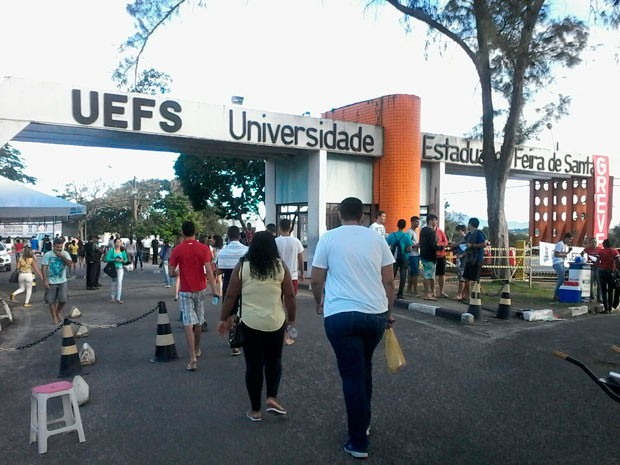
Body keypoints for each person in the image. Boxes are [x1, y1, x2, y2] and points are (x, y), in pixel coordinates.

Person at [310, 197, 395, 459]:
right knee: (364, 367)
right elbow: (389, 281)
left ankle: (358, 441)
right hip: (375, 315)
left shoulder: (329, 238)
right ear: (362, 215)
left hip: (340, 316)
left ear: (339, 214)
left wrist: (319, 302)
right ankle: (364, 423)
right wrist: (389, 313)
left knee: (352, 375)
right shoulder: (378, 239)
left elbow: (316, 278)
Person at [218, 231, 296, 422]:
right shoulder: (280, 266)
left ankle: (255, 410)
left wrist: (224, 318)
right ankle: (272, 396)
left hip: (249, 323)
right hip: (275, 322)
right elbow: (290, 296)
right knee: (274, 360)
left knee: (253, 365)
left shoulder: (243, 266)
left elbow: (230, 295)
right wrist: (291, 320)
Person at [169, 220, 221, 371]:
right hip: (200, 288)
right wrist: (214, 288)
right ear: (195, 231)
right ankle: (197, 349)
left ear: (183, 232)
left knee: (187, 321)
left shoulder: (177, 250)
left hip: (185, 290)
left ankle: (192, 357)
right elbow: (209, 270)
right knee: (198, 321)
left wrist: (182, 272)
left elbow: (171, 272)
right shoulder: (204, 248)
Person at [216, 226, 249, 356]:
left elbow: (218, 271)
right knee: (244, 311)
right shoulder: (247, 250)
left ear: (228, 236)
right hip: (245, 284)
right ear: (239, 236)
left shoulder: (223, 252)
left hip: (228, 285)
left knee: (230, 313)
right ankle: (246, 338)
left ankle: (233, 342)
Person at [275, 218, 305, 345]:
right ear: (290, 228)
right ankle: (287, 335)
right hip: (292, 277)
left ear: (280, 228)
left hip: (277, 277)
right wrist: (302, 273)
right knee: (290, 305)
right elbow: (300, 259)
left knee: (278, 306)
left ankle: (280, 334)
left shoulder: (275, 241)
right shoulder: (296, 242)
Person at [41, 237, 73, 324]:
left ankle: (58, 311)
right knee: (51, 300)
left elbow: (70, 264)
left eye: (61, 247)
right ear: (54, 246)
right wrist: (45, 280)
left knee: (63, 299)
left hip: (62, 280)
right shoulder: (48, 255)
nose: (59, 249)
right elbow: (44, 267)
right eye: (57, 247)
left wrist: (61, 256)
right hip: (51, 281)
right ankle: (54, 316)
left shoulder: (65, 253)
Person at [386, 219, 413, 300]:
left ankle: (388, 292)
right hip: (404, 258)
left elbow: (386, 244)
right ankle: (400, 293)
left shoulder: (391, 235)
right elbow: (409, 249)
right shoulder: (406, 236)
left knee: (391, 275)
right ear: (404, 226)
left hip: (393, 258)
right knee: (403, 275)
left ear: (397, 225)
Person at [419, 214, 443, 301]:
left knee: (429, 275)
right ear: (430, 221)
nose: (436, 222)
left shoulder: (423, 230)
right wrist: (441, 247)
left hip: (423, 255)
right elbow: (433, 245)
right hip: (430, 256)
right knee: (428, 275)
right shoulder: (431, 232)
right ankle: (426, 294)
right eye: (435, 220)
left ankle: (431, 293)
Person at [462, 218, 487, 294]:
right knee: (466, 277)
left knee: (476, 279)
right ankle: (468, 295)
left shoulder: (479, 233)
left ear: (470, 224)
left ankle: (476, 294)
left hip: (477, 259)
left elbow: (484, 244)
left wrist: (472, 245)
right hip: (469, 259)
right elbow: (463, 241)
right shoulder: (469, 234)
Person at [595, 239, 620, 313]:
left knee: (603, 290)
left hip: (602, 271)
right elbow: (618, 262)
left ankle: (606, 308)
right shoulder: (615, 251)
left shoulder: (600, 251)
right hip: (611, 272)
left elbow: (597, 262)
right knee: (610, 290)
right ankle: (610, 308)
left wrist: (597, 266)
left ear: (604, 245)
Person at [105, 238, 129, 304]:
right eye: (117, 242)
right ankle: (112, 297)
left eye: (119, 242)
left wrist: (122, 260)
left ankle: (118, 298)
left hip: (120, 268)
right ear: (114, 243)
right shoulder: (112, 250)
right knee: (113, 282)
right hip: (113, 268)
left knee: (119, 282)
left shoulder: (122, 251)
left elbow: (126, 260)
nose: (118, 244)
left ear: (121, 243)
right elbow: (106, 258)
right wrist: (114, 259)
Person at [552, 232, 573, 301]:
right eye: (570, 239)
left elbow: (563, 254)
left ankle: (559, 294)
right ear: (566, 238)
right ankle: (556, 295)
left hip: (561, 262)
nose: (570, 241)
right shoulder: (560, 244)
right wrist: (564, 255)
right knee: (561, 279)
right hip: (557, 263)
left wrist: (568, 252)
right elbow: (556, 254)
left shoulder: (564, 245)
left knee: (563, 278)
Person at [581, 237, 602, 303]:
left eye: (595, 242)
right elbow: (582, 253)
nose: (594, 243)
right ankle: (591, 297)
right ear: (590, 243)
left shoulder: (600, 249)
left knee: (599, 283)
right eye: (592, 242)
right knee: (591, 283)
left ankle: (599, 298)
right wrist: (584, 258)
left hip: (598, 267)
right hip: (591, 267)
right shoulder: (587, 249)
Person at [452, 224, 468, 301]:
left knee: (462, 278)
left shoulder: (466, 239)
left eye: (458, 231)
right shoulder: (461, 240)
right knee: (462, 277)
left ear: (462, 231)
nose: (458, 233)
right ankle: (463, 294)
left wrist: (462, 255)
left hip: (464, 260)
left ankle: (460, 294)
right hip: (460, 259)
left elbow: (468, 250)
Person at [406, 216, 421, 296]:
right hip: (412, 255)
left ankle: (410, 290)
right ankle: (414, 290)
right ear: (412, 222)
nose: (418, 223)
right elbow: (408, 243)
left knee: (412, 273)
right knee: (414, 273)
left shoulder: (415, 232)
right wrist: (417, 245)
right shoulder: (409, 232)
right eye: (416, 222)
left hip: (415, 254)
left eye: (418, 222)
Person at [434, 226, 449, 298]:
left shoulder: (440, 231)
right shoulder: (428, 232)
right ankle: (433, 291)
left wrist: (440, 245)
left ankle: (441, 291)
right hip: (432, 255)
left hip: (441, 255)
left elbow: (446, 241)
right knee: (432, 274)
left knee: (442, 274)